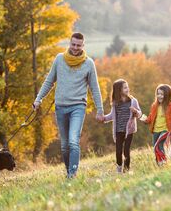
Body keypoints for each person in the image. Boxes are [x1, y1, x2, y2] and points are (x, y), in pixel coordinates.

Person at [33, 32, 104, 178]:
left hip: (78, 106)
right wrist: (38, 98)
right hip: (60, 107)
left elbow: (95, 88)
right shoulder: (59, 59)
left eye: (79, 45)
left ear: (83, 46)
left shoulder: (88, 63)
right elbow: (49, 81)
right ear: (69, 43)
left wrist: (100, 109)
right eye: (73, 44)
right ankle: (68, 172)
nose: (76, 48)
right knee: (64, 145)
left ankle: (72, 175)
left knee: (73, 141)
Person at [103, 79, 142, 173]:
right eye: (125, 87)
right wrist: (103, 118)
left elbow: (140, 114)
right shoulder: (116, 103)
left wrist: (136, 112)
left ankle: (126, 170)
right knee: (118, 152)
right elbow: (112, 116)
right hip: (118, 131)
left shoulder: (133, 101)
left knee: (126, 151)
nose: (127, 89)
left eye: (127, 87)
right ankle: (119, 169)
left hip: (129, 130)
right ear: (119, 90)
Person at [140, 84, 171, 166]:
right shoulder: (154, 106)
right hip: (155, 131)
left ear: (167, 95)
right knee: (155, 148)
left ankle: (163, 162)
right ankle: (159, 163)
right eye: (158, 94)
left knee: (159, 145)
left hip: (165, 130)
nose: (159, 96)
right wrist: (144, 120)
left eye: (162, 94)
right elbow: (150, 118)